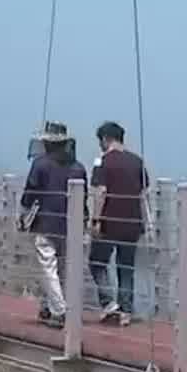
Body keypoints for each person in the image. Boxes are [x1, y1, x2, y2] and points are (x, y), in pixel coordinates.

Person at [21, 121, 87, 329]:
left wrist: (22, 213)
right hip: (71, 225)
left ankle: (59, 310)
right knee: (64, 268)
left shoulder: (40, 164)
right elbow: (83, 200)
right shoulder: (78, 167)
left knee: (48, 267)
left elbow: (30, 192)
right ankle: (49, 306)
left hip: (46, 222)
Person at [88, 121, 150, 326]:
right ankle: (126, 311)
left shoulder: (102, 162)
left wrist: (96, 220)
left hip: (109, 223)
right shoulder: (137, 162)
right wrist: (145, 223)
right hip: (132, 223)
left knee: (97, 262)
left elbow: (100, 192)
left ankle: (108, 303)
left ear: (105, 139)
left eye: (100, 141)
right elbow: (142, 193)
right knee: (126, 268)